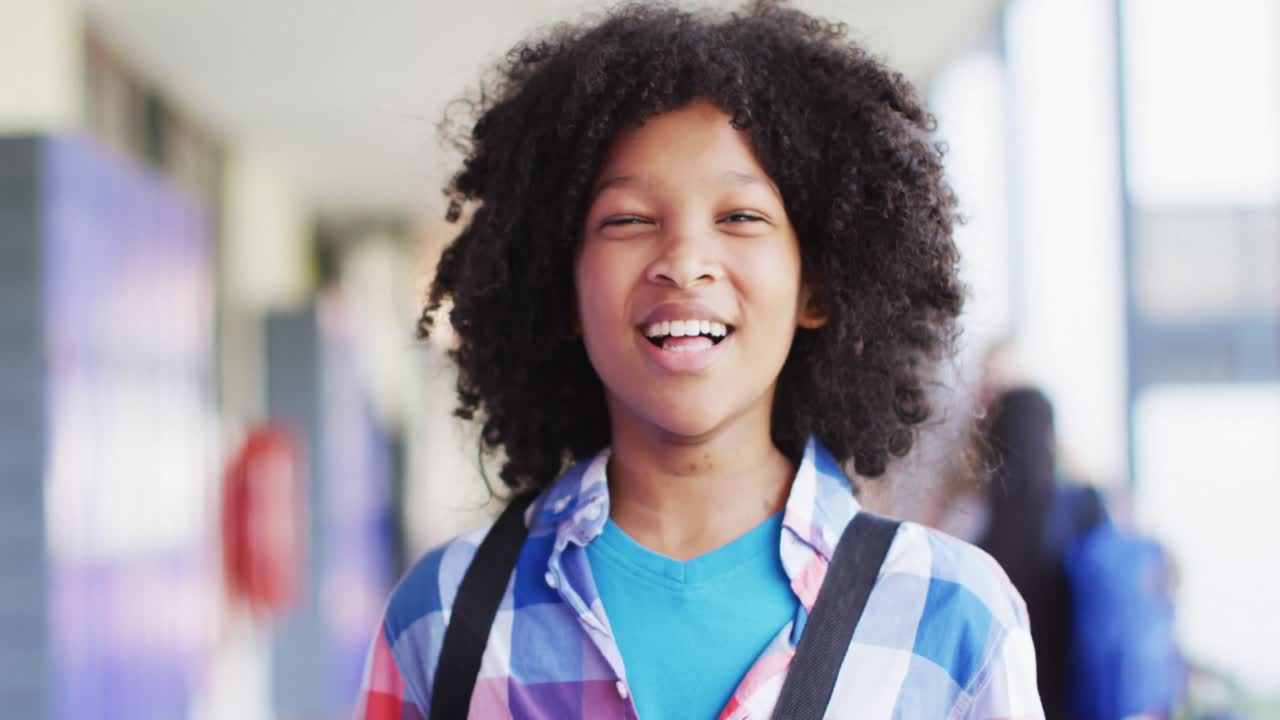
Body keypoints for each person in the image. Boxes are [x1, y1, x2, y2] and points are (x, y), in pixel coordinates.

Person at [356, 2, 1042, 718]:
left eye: (741, 217)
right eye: (627, 220)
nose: (683, 262)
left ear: (817, 285)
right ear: (562, 289)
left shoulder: (954, 618)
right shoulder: (445, 617)